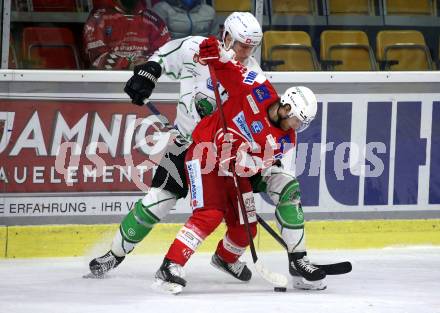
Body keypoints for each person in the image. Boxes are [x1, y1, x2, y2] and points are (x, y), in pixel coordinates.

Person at [88, 12, 325, 291]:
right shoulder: (197, 49)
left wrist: (251, 163)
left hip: (232, 159)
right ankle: (113, 255)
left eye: (251, 47)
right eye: (240, 45)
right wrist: (148, 73)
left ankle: (254, 258)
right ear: (226, 36)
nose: (245, 52)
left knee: (255, 213)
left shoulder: (253, 75)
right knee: (157, 201)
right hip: (189, 144)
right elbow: (164, 56)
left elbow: (269, 130)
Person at [153, 36, 322, 294]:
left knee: (246, 229)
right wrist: (214, 54)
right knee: (210, 213)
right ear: (286, 105)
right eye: (297, 119)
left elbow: (257, 164)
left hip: (233, 169)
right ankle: (171, 265)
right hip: (204, 153)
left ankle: (225, 258)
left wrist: (240, 159)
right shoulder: (259, 88)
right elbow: (228, 70)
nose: (297, 126)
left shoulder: (285, 139)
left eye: (302, 123)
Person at [83, 0, 171, 70]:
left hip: (144, 81)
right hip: (108, 84)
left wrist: (149, 63)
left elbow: (166, 55)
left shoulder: (154, 21)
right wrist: (128, 64)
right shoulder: (98, 18)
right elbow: (97, 57)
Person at [152, 0, 218, 39]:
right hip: (171, 58)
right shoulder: (161, 9)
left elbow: (216, 39)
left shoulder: (209, 11)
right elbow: (157, 43)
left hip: (202, 57)